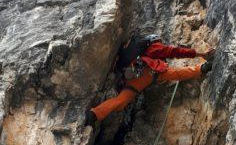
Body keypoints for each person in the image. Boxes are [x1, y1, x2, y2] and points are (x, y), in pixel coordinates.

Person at [85, 33, 215, 126]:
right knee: (176, 73)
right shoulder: (154, 47)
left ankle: (94, 114)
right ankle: (202, 69)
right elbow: (175, 51)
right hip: (149, 71)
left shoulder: (132, 52)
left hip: (131, 79)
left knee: (121, 100)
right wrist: (200, 54)